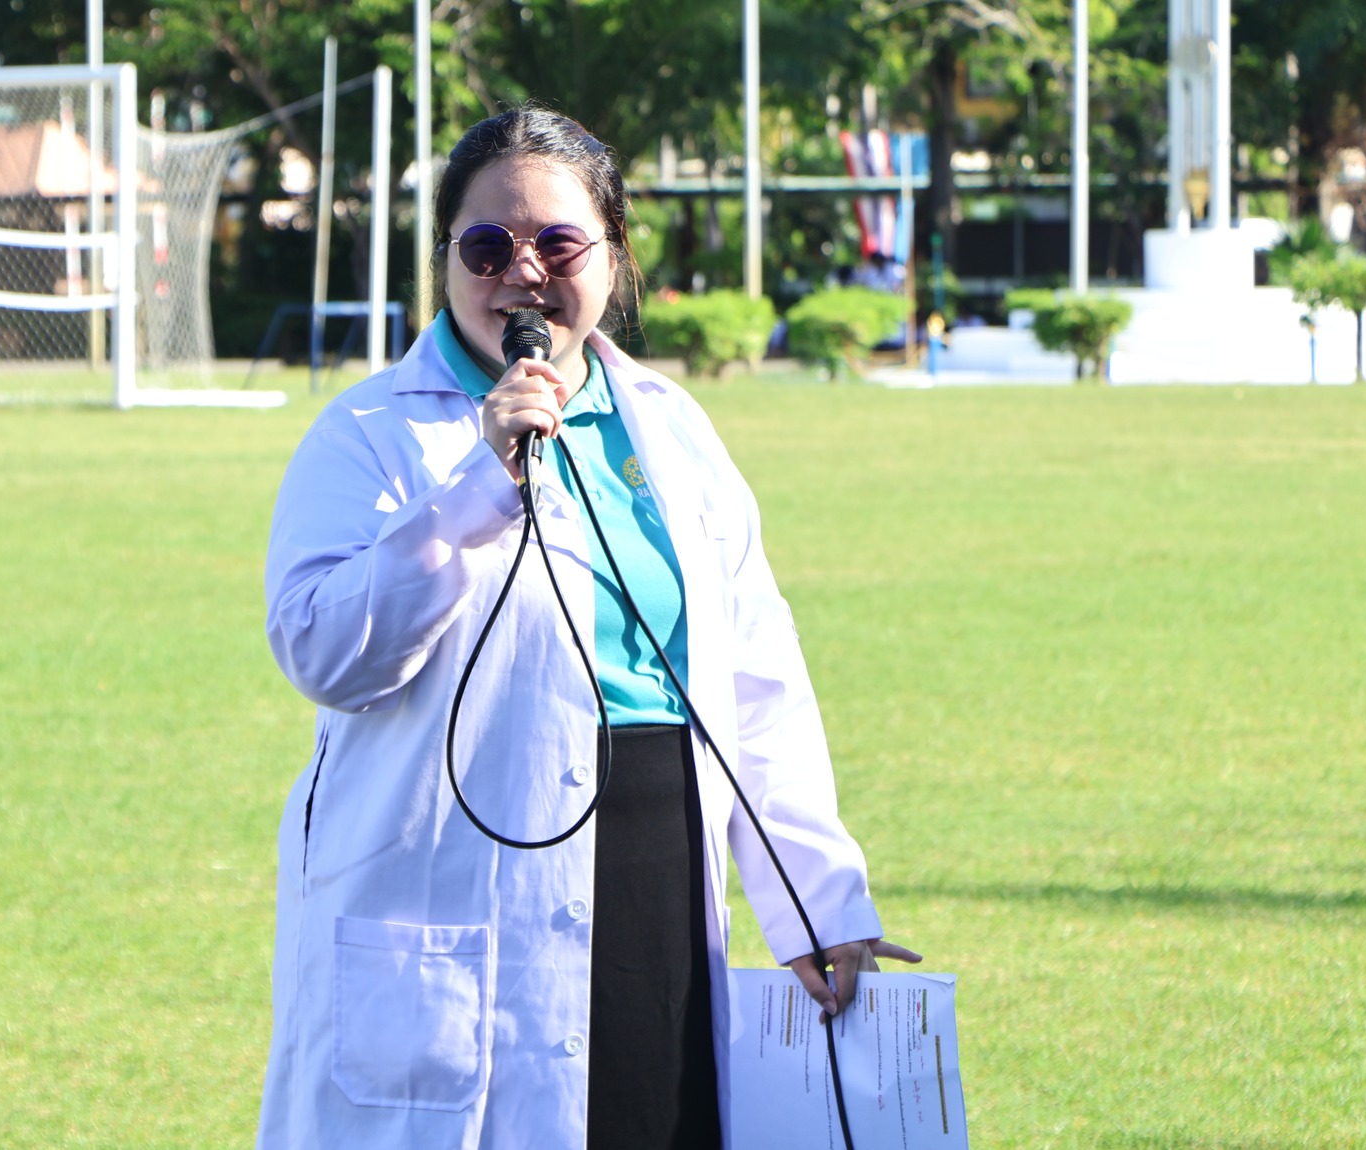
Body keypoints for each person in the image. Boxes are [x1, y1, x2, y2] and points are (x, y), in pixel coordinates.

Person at [258, 106, 917, 1150]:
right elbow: (322, 650)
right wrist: (477, 487)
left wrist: (815, 897)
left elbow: (756, 678)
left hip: (658, 874)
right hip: (453, 882)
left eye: (557, 243)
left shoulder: (672, 427)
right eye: (486, 246)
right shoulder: (371, 432)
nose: (520, 273)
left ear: (613, 256)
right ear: (445, 261)